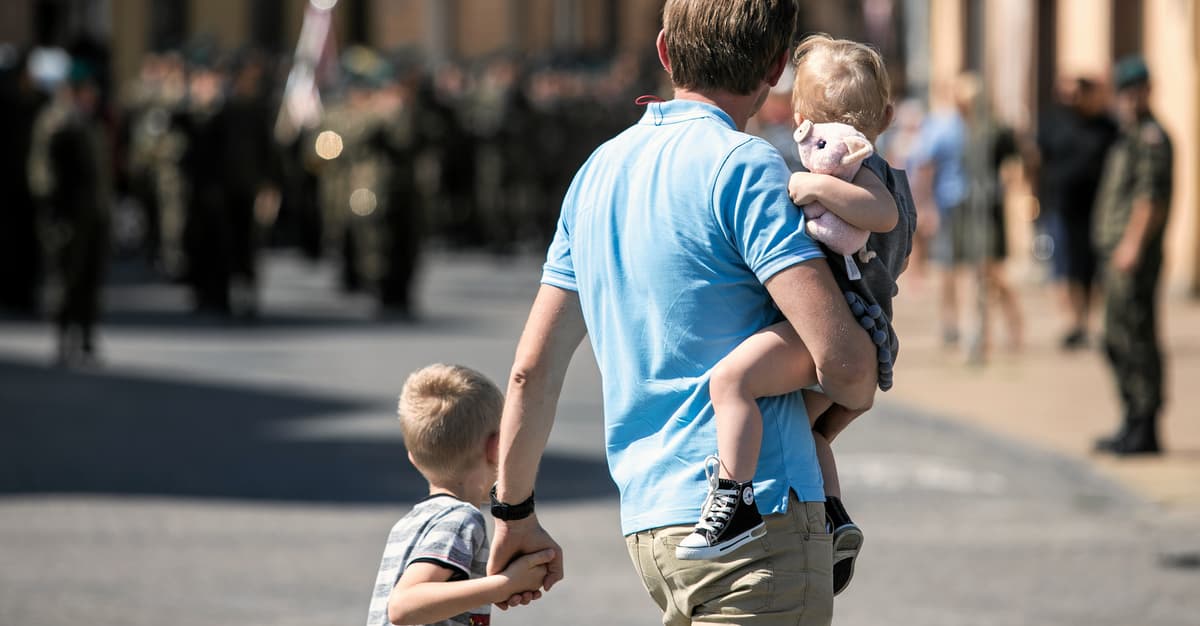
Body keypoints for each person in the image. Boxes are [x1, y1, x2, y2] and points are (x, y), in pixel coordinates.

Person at [488, 2, 879, 624]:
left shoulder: (596, 173)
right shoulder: (744, 164)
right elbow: (846, 362)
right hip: (759, 524)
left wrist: (512, 511)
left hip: (653, 526)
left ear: (666, 52)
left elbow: (531, 371)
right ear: (778, 67)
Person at [678, 35, 915, 599]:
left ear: (802, 116)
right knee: (805, 432)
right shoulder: (881, 166)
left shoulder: (853, 167)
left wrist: (811, 184)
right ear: (887, 113)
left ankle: (734, 504)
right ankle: (834, 517)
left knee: (732, 381)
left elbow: (878, 215)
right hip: (871, 334)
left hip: (841, 323)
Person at [364, 364, 556, 626]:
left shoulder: (409, 523)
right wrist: (504, 584)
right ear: (497, 448)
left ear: (414, 458)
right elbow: (403, 606)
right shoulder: (461, 519)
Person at [1092, 56, 1172, 456]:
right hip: (1116, 254)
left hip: (1133, 257)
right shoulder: (1128, 134)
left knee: (1135, 336)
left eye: (1134, 90)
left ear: (1146, 90)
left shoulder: (1152, 137)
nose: (1128, 98)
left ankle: (1145, 423)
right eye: (1123, 91)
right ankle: (1131, 418)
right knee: (1114, 336)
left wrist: (1132, 245)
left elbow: (1150, 199)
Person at [913, 73, 1023, 355]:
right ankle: (955, 328)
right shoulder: (944, 127)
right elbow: (926, 167)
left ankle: (1011, 325)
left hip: (985, 208)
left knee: (989, 270)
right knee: (950, 270)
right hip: (952, 206)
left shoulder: (992, 129)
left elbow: (1013, 164)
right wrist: (925, 207)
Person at [1036, 77, 1118, 349]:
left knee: (1090, 268)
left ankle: (1086, 321)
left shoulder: (1107, 126)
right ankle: (1072, 321)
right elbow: (1038, 158)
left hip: (1097, 209)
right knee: (1064, 268)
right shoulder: (1054, 121)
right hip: (1061, 206)